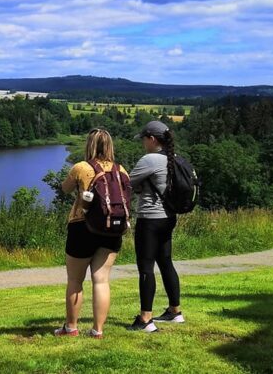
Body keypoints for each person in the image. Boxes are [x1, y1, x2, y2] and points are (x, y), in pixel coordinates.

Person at [55, 128, 130, 339]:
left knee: (75, 281)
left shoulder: (81, 168)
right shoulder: (121, 170)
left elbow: (65, 189)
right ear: (110, 146)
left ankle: (71, 328)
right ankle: (97, 330)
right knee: (101, 280)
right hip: (112, 228)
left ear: (89, 145)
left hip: (82, 227)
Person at [128, 120, 185, 333]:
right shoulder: (175, 159)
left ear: (152, 139)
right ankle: (174, 311)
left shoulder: (149, 159)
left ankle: (145, 319)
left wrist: (140, 187)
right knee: (166, 263)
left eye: (144, 139)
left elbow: (128, 184)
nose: (143, 143)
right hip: (168, 218)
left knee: (145, 268)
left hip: (150, 219)